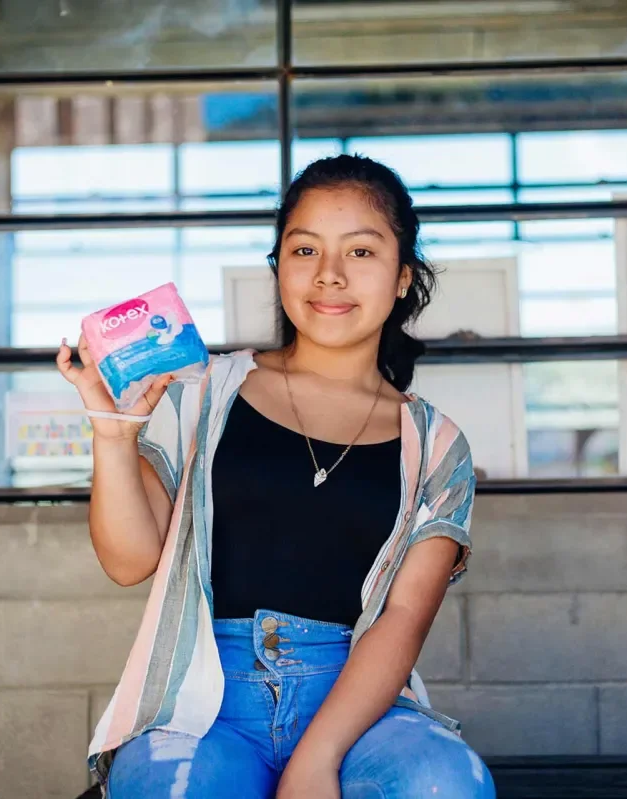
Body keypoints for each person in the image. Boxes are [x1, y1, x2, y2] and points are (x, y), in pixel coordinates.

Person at [56, 154, 495, 799]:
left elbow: (402, 618)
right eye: (304, 249)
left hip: (357, 703)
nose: (330, 276)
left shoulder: (436, 444)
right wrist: (114, 434)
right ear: (278, 267)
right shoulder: (201, 391)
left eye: (361, 253)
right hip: (205, 706)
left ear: (403, 277)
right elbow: (128, 561)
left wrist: (317, 760)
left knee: (444, 784)